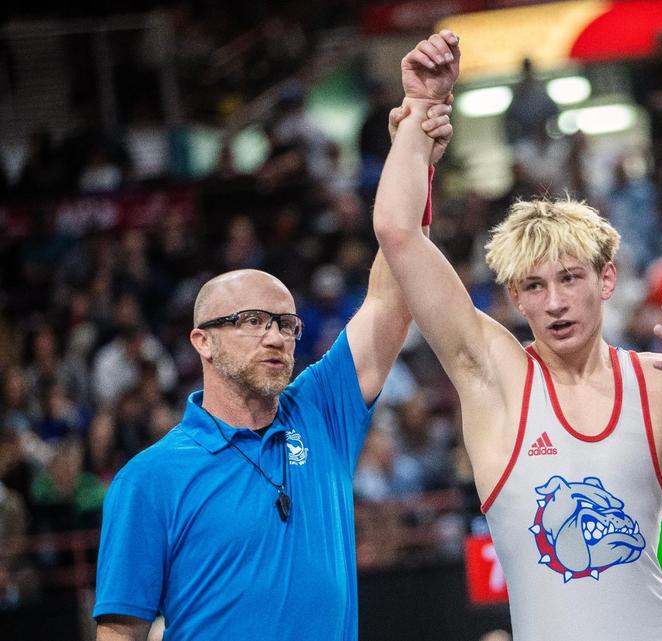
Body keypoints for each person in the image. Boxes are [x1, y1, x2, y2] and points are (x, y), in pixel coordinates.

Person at [375, 31, 662, 641]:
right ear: (514, 298)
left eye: (569, 279)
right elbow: (398, 233)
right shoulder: (496, 375)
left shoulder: (660, 384)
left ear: (606, 279)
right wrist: (419, 119)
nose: (554, 303)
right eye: (533, 287)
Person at [90, 38, 458, 641]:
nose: (277, 337)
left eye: (286, 324)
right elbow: (120, 634)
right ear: (201, 342)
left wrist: (415, 137)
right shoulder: (148, 479)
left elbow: (393, 292)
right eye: (253, 321)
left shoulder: (319, 412)